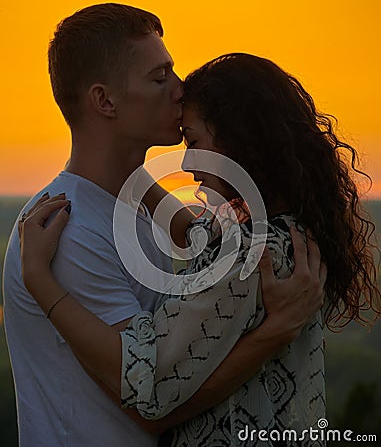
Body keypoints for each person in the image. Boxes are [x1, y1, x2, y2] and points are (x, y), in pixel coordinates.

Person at [16, 54, 380, 447]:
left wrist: (39, 280)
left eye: (195, 141)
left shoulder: (251, 256)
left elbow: (148, 386)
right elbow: (198, 233)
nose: (188, 162)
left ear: (239, 139)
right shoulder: (288, 230)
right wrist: (129, 175)